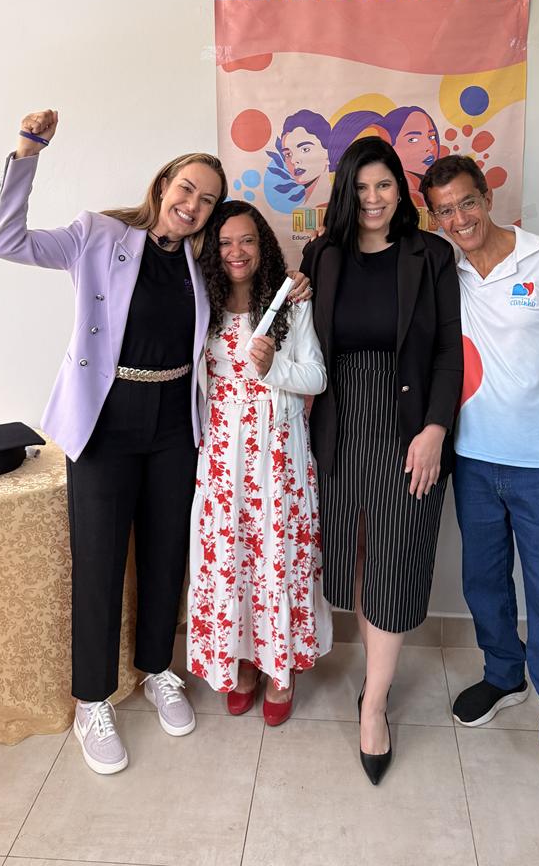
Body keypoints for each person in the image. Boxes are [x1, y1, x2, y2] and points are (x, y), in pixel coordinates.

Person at [0, 109, 310, 775]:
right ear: (163, 186)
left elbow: (252, 295)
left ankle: (159, 668)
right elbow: (6, 241)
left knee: (167, 555)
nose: (194, 204)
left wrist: (295, 286)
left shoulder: (201, 263)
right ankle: (92, 700)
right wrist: (27, 152)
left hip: (174, 425)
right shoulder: (96, 235)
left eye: (208, 199)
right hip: (106, 421)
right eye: (186, 188)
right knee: (99, 562)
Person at [421, 154, 539, 820]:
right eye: (444, 211)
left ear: (487, 197)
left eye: (466, 202)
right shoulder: (447, 273)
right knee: (483, 582)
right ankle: (504, 674)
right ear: (434, 218)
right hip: (473, 459)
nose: (459, 219)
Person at [301, 137, 463, 784]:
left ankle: (373, 704)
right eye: (361, 187)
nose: (373, 199)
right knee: (356, 556)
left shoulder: (432, 255)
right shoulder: (323, 254)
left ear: (401, 189)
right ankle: (374, 679)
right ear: (347, 192)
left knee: (394, 560)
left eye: (384, 185)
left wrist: (434, 429)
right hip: (339, 424)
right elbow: (299, 339)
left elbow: (448, 350)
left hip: (409, 423)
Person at [187, 200, 332, 723]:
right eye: (225, 242)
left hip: (278, 457)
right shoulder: (203, 303)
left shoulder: (291, 303)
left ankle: (281, 668)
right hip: (222, 459)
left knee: (277, 557)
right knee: (233, 560)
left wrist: (274, 369)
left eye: (246, 240)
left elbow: (316, 376)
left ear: (263, 244)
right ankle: (244, 662)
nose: (236, 251)